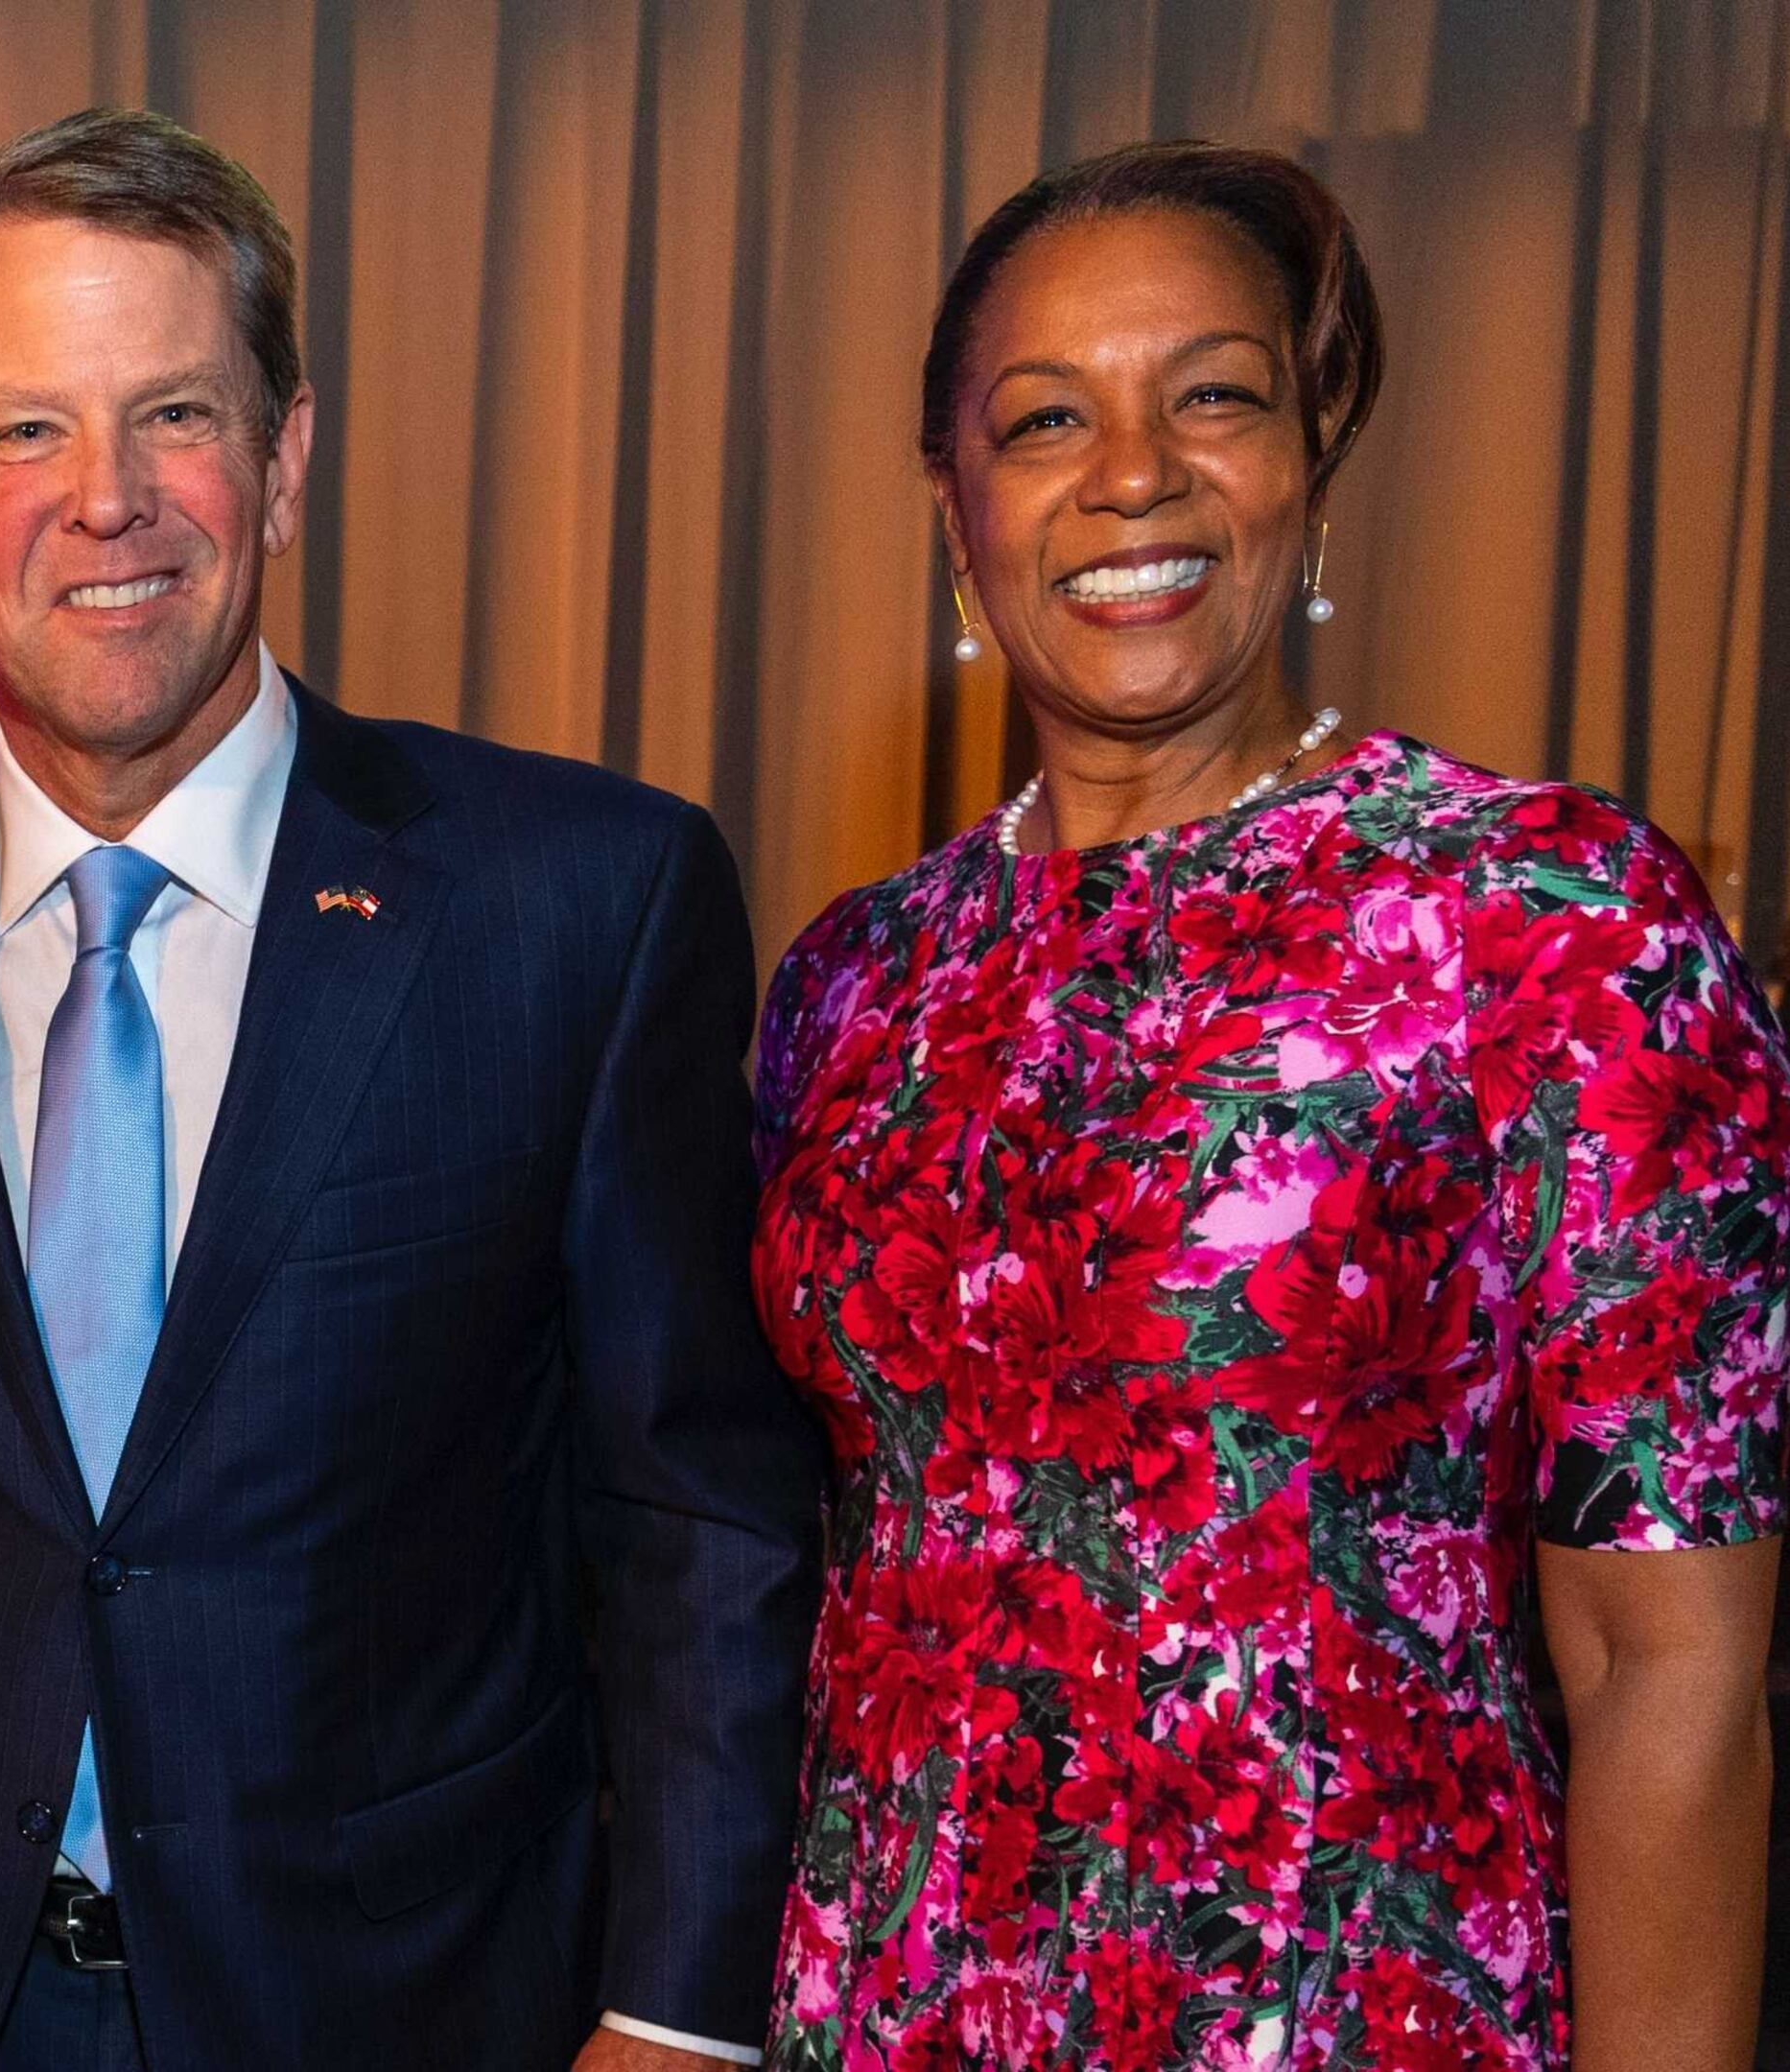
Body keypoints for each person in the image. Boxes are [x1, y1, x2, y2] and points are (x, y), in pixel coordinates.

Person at [0, 107, 825, 2072]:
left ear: (283, 461)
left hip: (400, 2005)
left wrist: (679, 2018)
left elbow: (698, 1514)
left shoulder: (573, 906)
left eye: (175, 417)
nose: (107, 500)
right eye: (28, 429)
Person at [753, 141, 1789, 2071]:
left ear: (1310, 467)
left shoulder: (1550, 926)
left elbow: (1674, 1679)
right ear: (956, 514)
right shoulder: (852, 982)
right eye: (1046, 417)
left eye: (1212, 395)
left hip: (1338, 2018)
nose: (1130, 472)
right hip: (884, 2009)